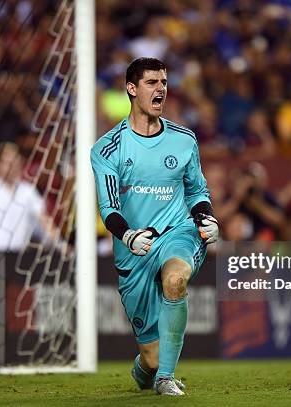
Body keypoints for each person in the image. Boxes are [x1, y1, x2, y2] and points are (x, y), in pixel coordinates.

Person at [90, 57, 218, 396]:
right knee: (151, 357)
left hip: (177, 232)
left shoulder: (184, 139)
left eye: (163, 82)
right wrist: (128, 235)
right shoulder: (108, 148)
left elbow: (197, 190)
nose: (160, 88)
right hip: (134, 249)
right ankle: (148, 371)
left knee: (175, 280)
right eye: (151, 82)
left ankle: (165, 379)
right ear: (132, 89)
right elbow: (108, 208)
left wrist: (206, 217)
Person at [0, 142, 57, 252]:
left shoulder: (28, 190)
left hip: (19, 255)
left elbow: (44, 220)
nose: (12, 167)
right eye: (7, 163)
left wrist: (60, 244)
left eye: (15, 162)